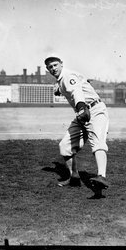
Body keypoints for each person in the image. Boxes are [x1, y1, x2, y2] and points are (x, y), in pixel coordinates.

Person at [45, 55, 110, 191]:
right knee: (65, 146)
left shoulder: (67, 76)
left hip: (94, 110)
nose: (53, 68)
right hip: (82, 114)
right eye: (50, 67)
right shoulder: (63, 79)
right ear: (48, 70)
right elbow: (79, 82)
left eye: (55, 65)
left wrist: (81, 106)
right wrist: (59, 89)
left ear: (61, 64)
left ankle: (102, 176)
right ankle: (74, 177)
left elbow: (76, 91)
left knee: (97, 142)